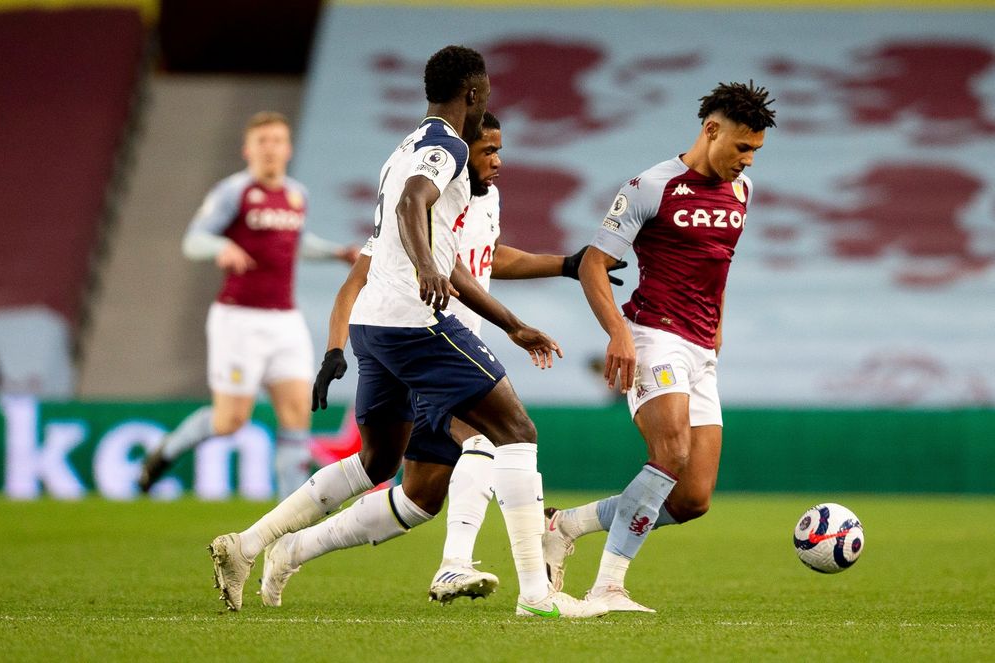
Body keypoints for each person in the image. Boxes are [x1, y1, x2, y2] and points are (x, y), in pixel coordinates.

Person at [207, 46, 607, 619]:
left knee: (381, 464)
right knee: (514, 431)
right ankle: (535, 595)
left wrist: (513, 323)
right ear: (472, 95)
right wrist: (424, 267)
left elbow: (456, 254)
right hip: (413, 320)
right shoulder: (445, 145)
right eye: (486, 93)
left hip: (377, 322)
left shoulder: (409, 144)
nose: (489, 102)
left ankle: (248, 547)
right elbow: (412, 206)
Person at [542, 81, 777, 612]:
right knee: (668, 454)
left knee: (693, 499)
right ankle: (607, 588)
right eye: (742, 148)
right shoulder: (650, 186)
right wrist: (619, 334)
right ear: (710, 131)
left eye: (756, 152)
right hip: (653, 335)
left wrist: (719, 321)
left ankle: (565, 525)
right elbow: (592, 265)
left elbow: (715, 263)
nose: (748, 161)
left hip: (701, 349)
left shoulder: (743, 193)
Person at [138, 112, 359, 500]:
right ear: (248, 149)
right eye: (263, 141)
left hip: (284, 320)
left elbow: (295, 242)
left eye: (277, 141)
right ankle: (165, 452)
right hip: (238, 319)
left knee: (296, 415)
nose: (270, 149)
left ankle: (290, 517)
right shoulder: (233, 192)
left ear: (288, 149)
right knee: (230, 421)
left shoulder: (296, 195)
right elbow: (193, 240)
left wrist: (335, 252)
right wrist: (222, 245)